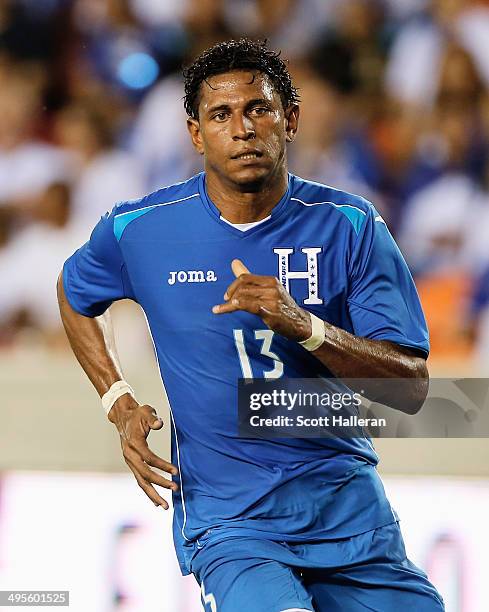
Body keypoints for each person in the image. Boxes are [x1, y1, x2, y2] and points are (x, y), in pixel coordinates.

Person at [57, 39, 445, 612]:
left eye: (258, 109)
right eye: (221, 114)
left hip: (349, 517)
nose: (242, 128)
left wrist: (305, 326)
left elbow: (410, 390)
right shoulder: (139, 230)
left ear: (289, 120)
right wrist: (118, 400)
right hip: (232, 524)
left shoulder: (350, 226)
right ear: (196, 134)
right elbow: (73, 292)